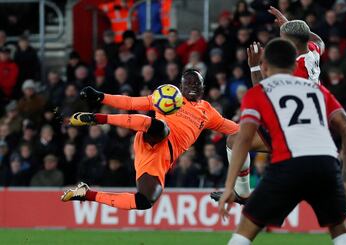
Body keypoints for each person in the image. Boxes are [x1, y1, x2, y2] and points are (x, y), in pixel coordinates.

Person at [215, 7, 346, 245]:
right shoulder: (313, 55)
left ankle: (241, 190)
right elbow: (318, 40)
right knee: (339, 219)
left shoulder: (293, 73)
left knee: (234, 141)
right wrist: (289, 24)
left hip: (288, 143)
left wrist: (253, 67)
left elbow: (264, 93)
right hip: (322, 150)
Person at [61, 69, 239, 211]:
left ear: (203, 87)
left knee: (145, 201)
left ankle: (86, 194)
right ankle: (97, 118)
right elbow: (130, 103)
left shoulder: (208, 112)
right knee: (161, 127)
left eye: (196, 83)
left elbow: (234, 128)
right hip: (152, 137)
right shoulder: (167, 96)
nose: (192, 86)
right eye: (188, 83)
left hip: (162, 158)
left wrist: (254, 128)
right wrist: (101, 96)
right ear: (181, 87)